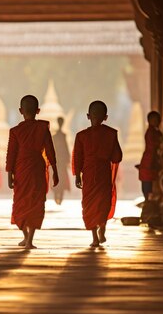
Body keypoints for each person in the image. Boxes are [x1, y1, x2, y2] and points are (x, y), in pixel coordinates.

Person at [6, 95, 59, 249]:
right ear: (38, 110)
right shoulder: (42, 128)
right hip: (37, 168)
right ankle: (29, 240)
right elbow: (50, 151)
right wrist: (55, 170)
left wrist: (9, 174)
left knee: (21, 203)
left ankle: (26, 237)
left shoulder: (15, 131)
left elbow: (11, 155)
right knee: (36, 202)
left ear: (20, 111)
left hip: (21, 169)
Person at [73, 100, 122, 247]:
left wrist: (77, 175)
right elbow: (117, 157)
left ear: (88, 116)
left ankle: (94, 238)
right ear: (105, 117)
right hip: (103, 173)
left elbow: (77, 157)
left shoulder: (81, 136)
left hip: (88, 173)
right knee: (103, 203)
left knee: (89, 205)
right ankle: (103, 228)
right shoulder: (111, 134)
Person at [138, 111, 163, 201]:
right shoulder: (151, 133)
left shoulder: (156, 132)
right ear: (149, 121)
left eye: (158, 120)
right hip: (149, 160)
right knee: (148, 183)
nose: (158, 122)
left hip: (151, 159)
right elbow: (154, 145)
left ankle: (149, 201)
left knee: (150, 182)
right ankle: (147, 201)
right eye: (155, 120)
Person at [52, 117, 71, 205]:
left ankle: (58, 196)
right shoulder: (60, 136)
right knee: (61, 178)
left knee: (59, 178)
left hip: (58, 161)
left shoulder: (56, 136)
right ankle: (59, 196)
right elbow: (65, 148)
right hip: (59, 161)